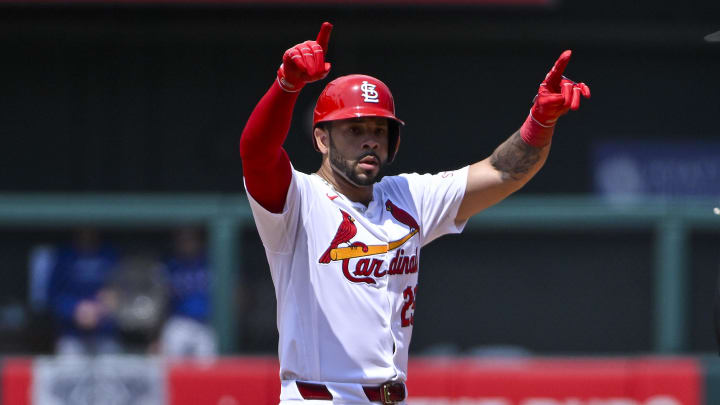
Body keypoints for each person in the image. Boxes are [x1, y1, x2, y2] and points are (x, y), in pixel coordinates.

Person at [239, 22, 590, 404]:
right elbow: (257, 154)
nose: (370, 138)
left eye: (379, 128)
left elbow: (503, 172)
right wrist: (286, 86)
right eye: (354, 129)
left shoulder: (407, 196)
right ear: (322, 139)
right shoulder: (299, 200)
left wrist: (540, 122)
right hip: (321, 396)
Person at [47, 228, 121, 355]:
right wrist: (75, 309)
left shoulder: (110, 254)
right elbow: (52, 296)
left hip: (106, 334)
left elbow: (122, 292)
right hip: (72, 336)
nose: (87, 232)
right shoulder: (64, 255)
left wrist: (102, 307)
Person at [158, 227, 217, 359]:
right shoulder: (170, 265)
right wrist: (156, 335)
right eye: (183, 240)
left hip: (205, 323)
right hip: (179, 322)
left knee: (207, 368)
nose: (186, 243)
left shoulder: (210, 261)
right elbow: (162, 300)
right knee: (172, 364)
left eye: (190, 239)